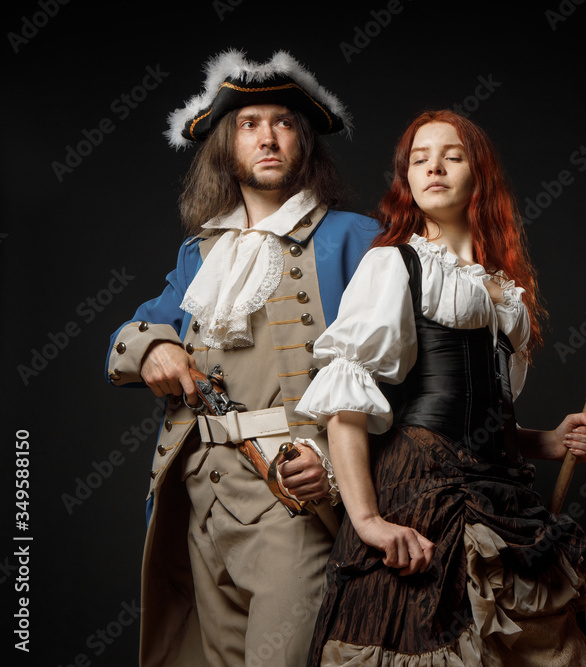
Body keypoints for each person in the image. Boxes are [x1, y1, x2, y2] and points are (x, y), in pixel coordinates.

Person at [296, 110, 586, 666]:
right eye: (419, 159)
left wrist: (547, 442)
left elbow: (491, 422)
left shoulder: (503, 291)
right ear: (407, 178)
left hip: (505, 500)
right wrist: (367, 521)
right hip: (417, 500)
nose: (433, 167)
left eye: (453, 155)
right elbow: (346, 402)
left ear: (479, 174)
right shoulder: (394, 264)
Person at [105, 50, 378, 667]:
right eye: (249, 124)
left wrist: (332, 467)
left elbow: (399, 375)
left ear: (303, 142)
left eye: (282, 122)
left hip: (293, 498)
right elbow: (130, 334)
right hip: (200, 494)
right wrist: (154, 346)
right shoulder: (201, 255)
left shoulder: (356, 238)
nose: (267, 137)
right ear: (227, 146)